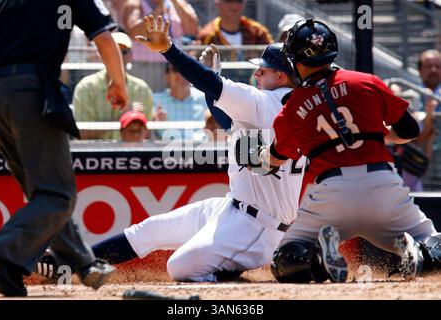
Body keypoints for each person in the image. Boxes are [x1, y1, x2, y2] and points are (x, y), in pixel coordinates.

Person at [36, 15, 306, 283]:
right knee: (149, 231)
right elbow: (226, 120)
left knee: (180, 267)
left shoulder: (262, 101)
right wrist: (213, 83)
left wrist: (170, 50)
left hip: (258, 227)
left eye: (264, 69)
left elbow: (209, 84)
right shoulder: (283, 106)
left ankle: (237, 273)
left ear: (281, 76)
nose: (256, 73)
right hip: (235, 208)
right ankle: (67, 266)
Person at [253, 19, 441, 284]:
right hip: (384, 186)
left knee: (288, 258)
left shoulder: (293, 106)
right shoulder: (366, 81)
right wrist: (372, 136)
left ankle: (319, 259)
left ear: (294, 59)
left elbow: (275, 158)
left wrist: (258, 157)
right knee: (435, 245)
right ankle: (416, 253)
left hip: (332, 194)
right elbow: (410, 130)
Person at [0, 0, 128, 297]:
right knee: (58, 194)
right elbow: (104, 37)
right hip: (28, 92)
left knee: (44, 192)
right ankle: (2, 252)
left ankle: (83, 263)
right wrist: (118, 82)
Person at [73, 31, 153, 140]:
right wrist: (122, 118)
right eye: (114, 51)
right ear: (101, 55)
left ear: (131, 56)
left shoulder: (142, 89)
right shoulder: (86, 87)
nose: (118, 56)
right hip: (93, 154)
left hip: (131, 153)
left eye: (123, 52)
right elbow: (81, 134)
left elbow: (147, 134)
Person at [123, 0, 199, 91]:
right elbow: (134, 32)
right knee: (148, 103)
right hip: (146, 69)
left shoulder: (178, 3)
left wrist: (175, 2)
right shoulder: (135, 3)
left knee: (172, 104)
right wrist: (159, 8)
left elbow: (193, 30)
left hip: (174, 68)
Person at [198, 0, 273, 61]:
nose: (234, 5)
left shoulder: (258, 32)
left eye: (238, 1)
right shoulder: (207, 35)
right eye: (229, 1)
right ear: (217, 3)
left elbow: (273, 58)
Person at [151, 62, 207, 140]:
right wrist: (160, 124)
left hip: (202, 150)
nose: (181, 73)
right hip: (166, 150)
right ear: (167, 76)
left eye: (186, 69)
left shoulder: (205, 99)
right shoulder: (155, 101)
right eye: (175, 69)